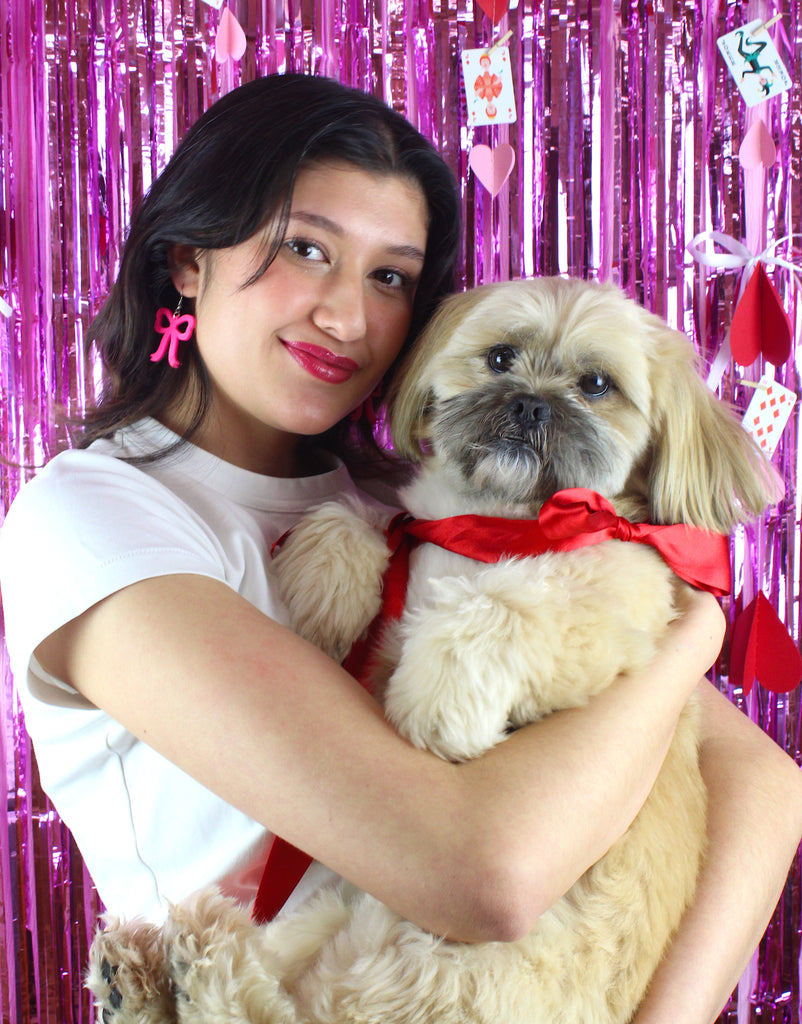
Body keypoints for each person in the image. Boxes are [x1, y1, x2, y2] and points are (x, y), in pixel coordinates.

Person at [0, 73, 800, 1024]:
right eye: (305, 249)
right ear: (186, 260)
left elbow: (761, 781)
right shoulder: (95, 515)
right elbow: (481, 878)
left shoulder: (414, 501)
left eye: (391, 277)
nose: (348, 318)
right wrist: (691, 627)